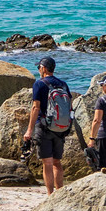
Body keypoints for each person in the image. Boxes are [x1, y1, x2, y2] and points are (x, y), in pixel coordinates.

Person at [25, 56, 72, 194]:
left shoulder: (39, 84)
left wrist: (29, 130)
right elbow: (70, 106)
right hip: (60, 126)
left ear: (44, 68)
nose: (39, 70)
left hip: (44, 126)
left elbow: (35, 107)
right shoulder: (63, 84)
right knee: (57, 162)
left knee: (47, 163)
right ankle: (60, 193)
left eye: (39, 67)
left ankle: (51, 195)